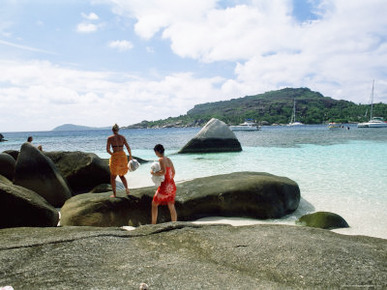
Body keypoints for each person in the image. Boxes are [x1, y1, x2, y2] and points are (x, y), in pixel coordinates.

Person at [150, 144, 177, 224]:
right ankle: (174, 223)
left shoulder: (161, 160)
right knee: (171, 205)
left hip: (165, 187)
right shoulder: (169, 159)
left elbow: (163, 172)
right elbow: (174, 172)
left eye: (155, 152)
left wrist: (153, 173)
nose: (155, 154)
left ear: (157, 151)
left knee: (154, 204)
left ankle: (153, 224)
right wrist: (169, 180)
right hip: (172, 186)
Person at [106, 124, 132, 197]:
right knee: (121, 175)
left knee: (113, 177)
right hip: (123, 156)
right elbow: (128, 147)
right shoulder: (122, 137)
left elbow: (107, 150)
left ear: (112, 130)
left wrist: (113, 154)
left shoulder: (110, 138)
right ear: (118, 130)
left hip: (115, 156)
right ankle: (127, 189)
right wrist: (130, 156)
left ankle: (114, 194)